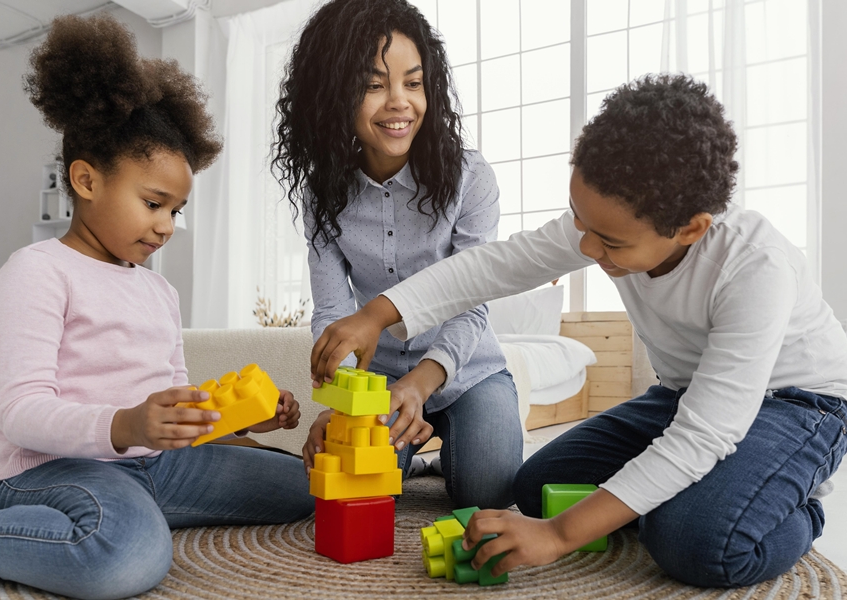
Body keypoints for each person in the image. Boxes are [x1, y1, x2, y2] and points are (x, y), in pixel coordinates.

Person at [308, 74, 847, 587]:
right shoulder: (609, 221)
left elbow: (705, 433)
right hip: (683, 397)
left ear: (690, 229)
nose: (587, 249)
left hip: (798, 405)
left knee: (690, 541)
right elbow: (493, 266)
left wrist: (560, 536)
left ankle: (797, 506)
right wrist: (377, 312)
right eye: (580, 223)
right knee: (537, 487)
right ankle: (701, 494)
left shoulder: (755, 266)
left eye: (609, 244)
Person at [0, 15, 313, 600]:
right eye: (153, 203)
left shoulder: (157, 291)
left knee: (306, 485)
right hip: (50, 469)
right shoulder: (36, 272)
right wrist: (124, 425)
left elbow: (177, 412)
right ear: (87, 181)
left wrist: (244, 417)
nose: (167, 227)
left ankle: (129, 510)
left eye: (177, 210)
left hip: (154, 465)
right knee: (124, 559)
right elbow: (20, 412)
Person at [273, 0, 522, 509]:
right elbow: (331, 310)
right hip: (378, 381)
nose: (399, 103)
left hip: (468, 368)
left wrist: (420, 383)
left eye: (413, 82)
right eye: (372, 85)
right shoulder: (323, 194)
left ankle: (438, 447)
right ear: (332, 93)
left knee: (488, 490)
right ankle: (418, 449)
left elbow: (472, 298)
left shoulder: (472, 178)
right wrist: (346, 403)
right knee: (347, 486)